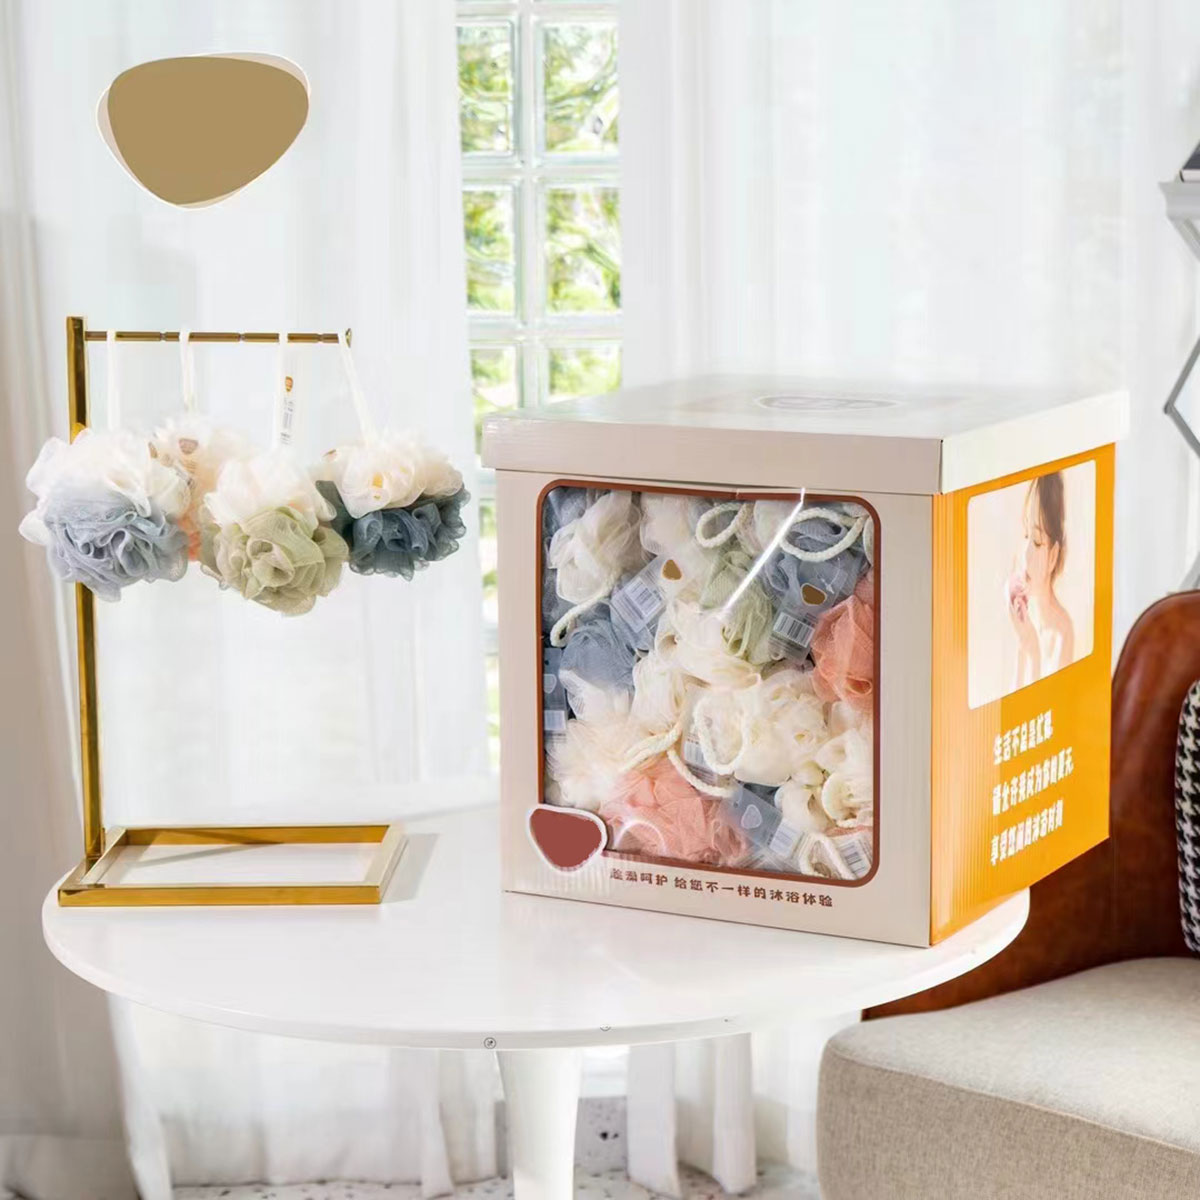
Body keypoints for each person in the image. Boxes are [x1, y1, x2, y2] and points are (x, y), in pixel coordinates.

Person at [1008, 471, 1074, 689]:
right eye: (1026, 535)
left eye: (1036, 542)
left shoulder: (1062, 633)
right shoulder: (1023, 618)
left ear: (1053, 555)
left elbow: (1049, 707)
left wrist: (1033, 653)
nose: (1026, 553)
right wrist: (1024, 644)